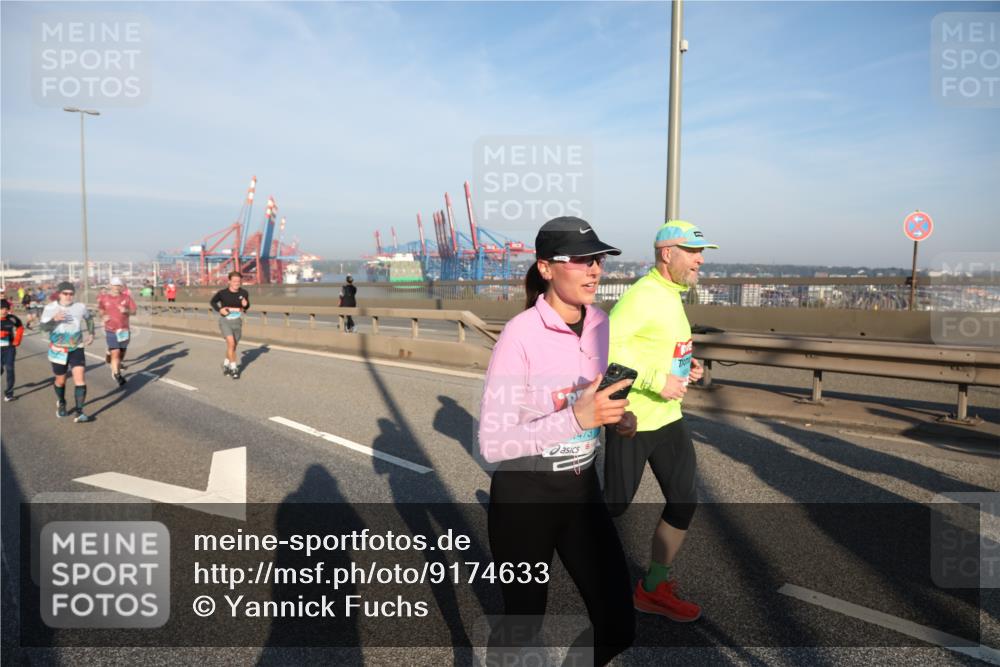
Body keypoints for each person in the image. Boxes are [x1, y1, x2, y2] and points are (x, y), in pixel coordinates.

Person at [478, 217, 637, 666]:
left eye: (598, 259)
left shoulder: (600, 323)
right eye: (581, 260)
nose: (595, 269)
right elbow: (492, 443)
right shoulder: (519, 334)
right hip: (525, 496)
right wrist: (576, 418)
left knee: (617, 626)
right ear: (545, 268)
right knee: (523, 624)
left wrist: (615, 418)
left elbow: (588, 400)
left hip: (583, 492)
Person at [603, 219, 719, 623]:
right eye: (693, 252)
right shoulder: (642, 295)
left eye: (702, 253)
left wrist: (687, 368)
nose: (700, 260)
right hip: (633, 419)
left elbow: (659, 346)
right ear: (667, 254)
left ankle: (653, 587)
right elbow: (606, 349)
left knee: (684, 500)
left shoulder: (672, 295)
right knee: (614, 505)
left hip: (668, 418)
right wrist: (656, 380)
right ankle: (541, 532)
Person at [39, 281, 95, 422]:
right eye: (65, 293)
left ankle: (79, 412)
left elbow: (89, 319)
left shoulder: (80, 307)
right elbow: (43, 328)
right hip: (58, 349)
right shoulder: (50, 308)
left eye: (71, 294)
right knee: (60, 381)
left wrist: (91, 334)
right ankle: (62, 401)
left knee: (80, 379)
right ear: (59, 293)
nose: (69, 296)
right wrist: (54, 320)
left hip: (76, 347)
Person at [210, 271, 250, 379]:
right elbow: (213, 302)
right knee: (231, 343)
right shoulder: (222, 293)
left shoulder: (244, 293)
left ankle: (225, 364)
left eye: (238, 281)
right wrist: (220, 309)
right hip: (225, 321)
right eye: (234, 281)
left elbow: (246, 306)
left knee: (232, 347)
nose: (237, 283)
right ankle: (234, 368)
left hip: (237, 321)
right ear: (229, 281)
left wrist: (246, 305)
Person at [98, 277, 137, 386]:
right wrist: (103, 316)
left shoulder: (127, 298)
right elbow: (101, 310)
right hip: (110, 329)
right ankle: (117, 374)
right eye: (114, 285)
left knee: (121, 353)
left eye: (119, 285)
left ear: (122, 287)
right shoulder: (104, 298)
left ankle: (112, 360)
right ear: (110, 286)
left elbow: (134, 311)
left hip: (123, 330)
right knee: (115, 353)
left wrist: (126, 310)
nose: (116, 287)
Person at [1, 299, 25, 402]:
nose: (4, 311)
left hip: (9, 348)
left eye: (6, 309)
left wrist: (17, 339)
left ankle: (9, 394)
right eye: (1, 308)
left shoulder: (12, 318)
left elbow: (20, 327)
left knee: (10, 369)